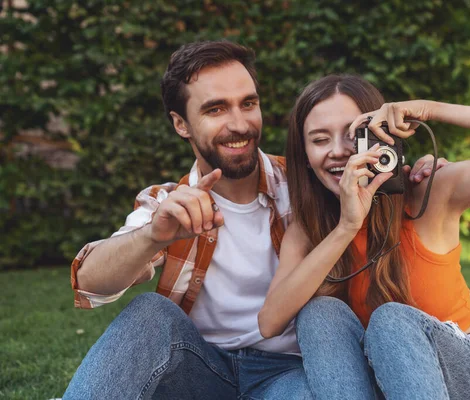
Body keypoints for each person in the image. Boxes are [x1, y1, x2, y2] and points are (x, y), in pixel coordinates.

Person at [63, 42, 440, 399]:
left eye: (248, 104)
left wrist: (423, 172)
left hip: (290, 372)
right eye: (215, 109)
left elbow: (376, 184)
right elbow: (90, 283)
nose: (239, 124)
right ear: (181, 124)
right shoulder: (169, 205)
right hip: (200, 368)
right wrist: (152, 237)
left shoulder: (308, 183)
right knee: (149, 313)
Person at [258, 74, 470, 400]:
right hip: (400, 384)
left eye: (355, 136)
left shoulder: (427, 192)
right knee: (319, 312)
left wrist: (430, 109)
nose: (339, 152)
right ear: (306, 158)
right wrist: (347, 226)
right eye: (320, 139)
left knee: (392, 320)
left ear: (380, 137)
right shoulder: (309, 229)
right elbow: (270, 322)